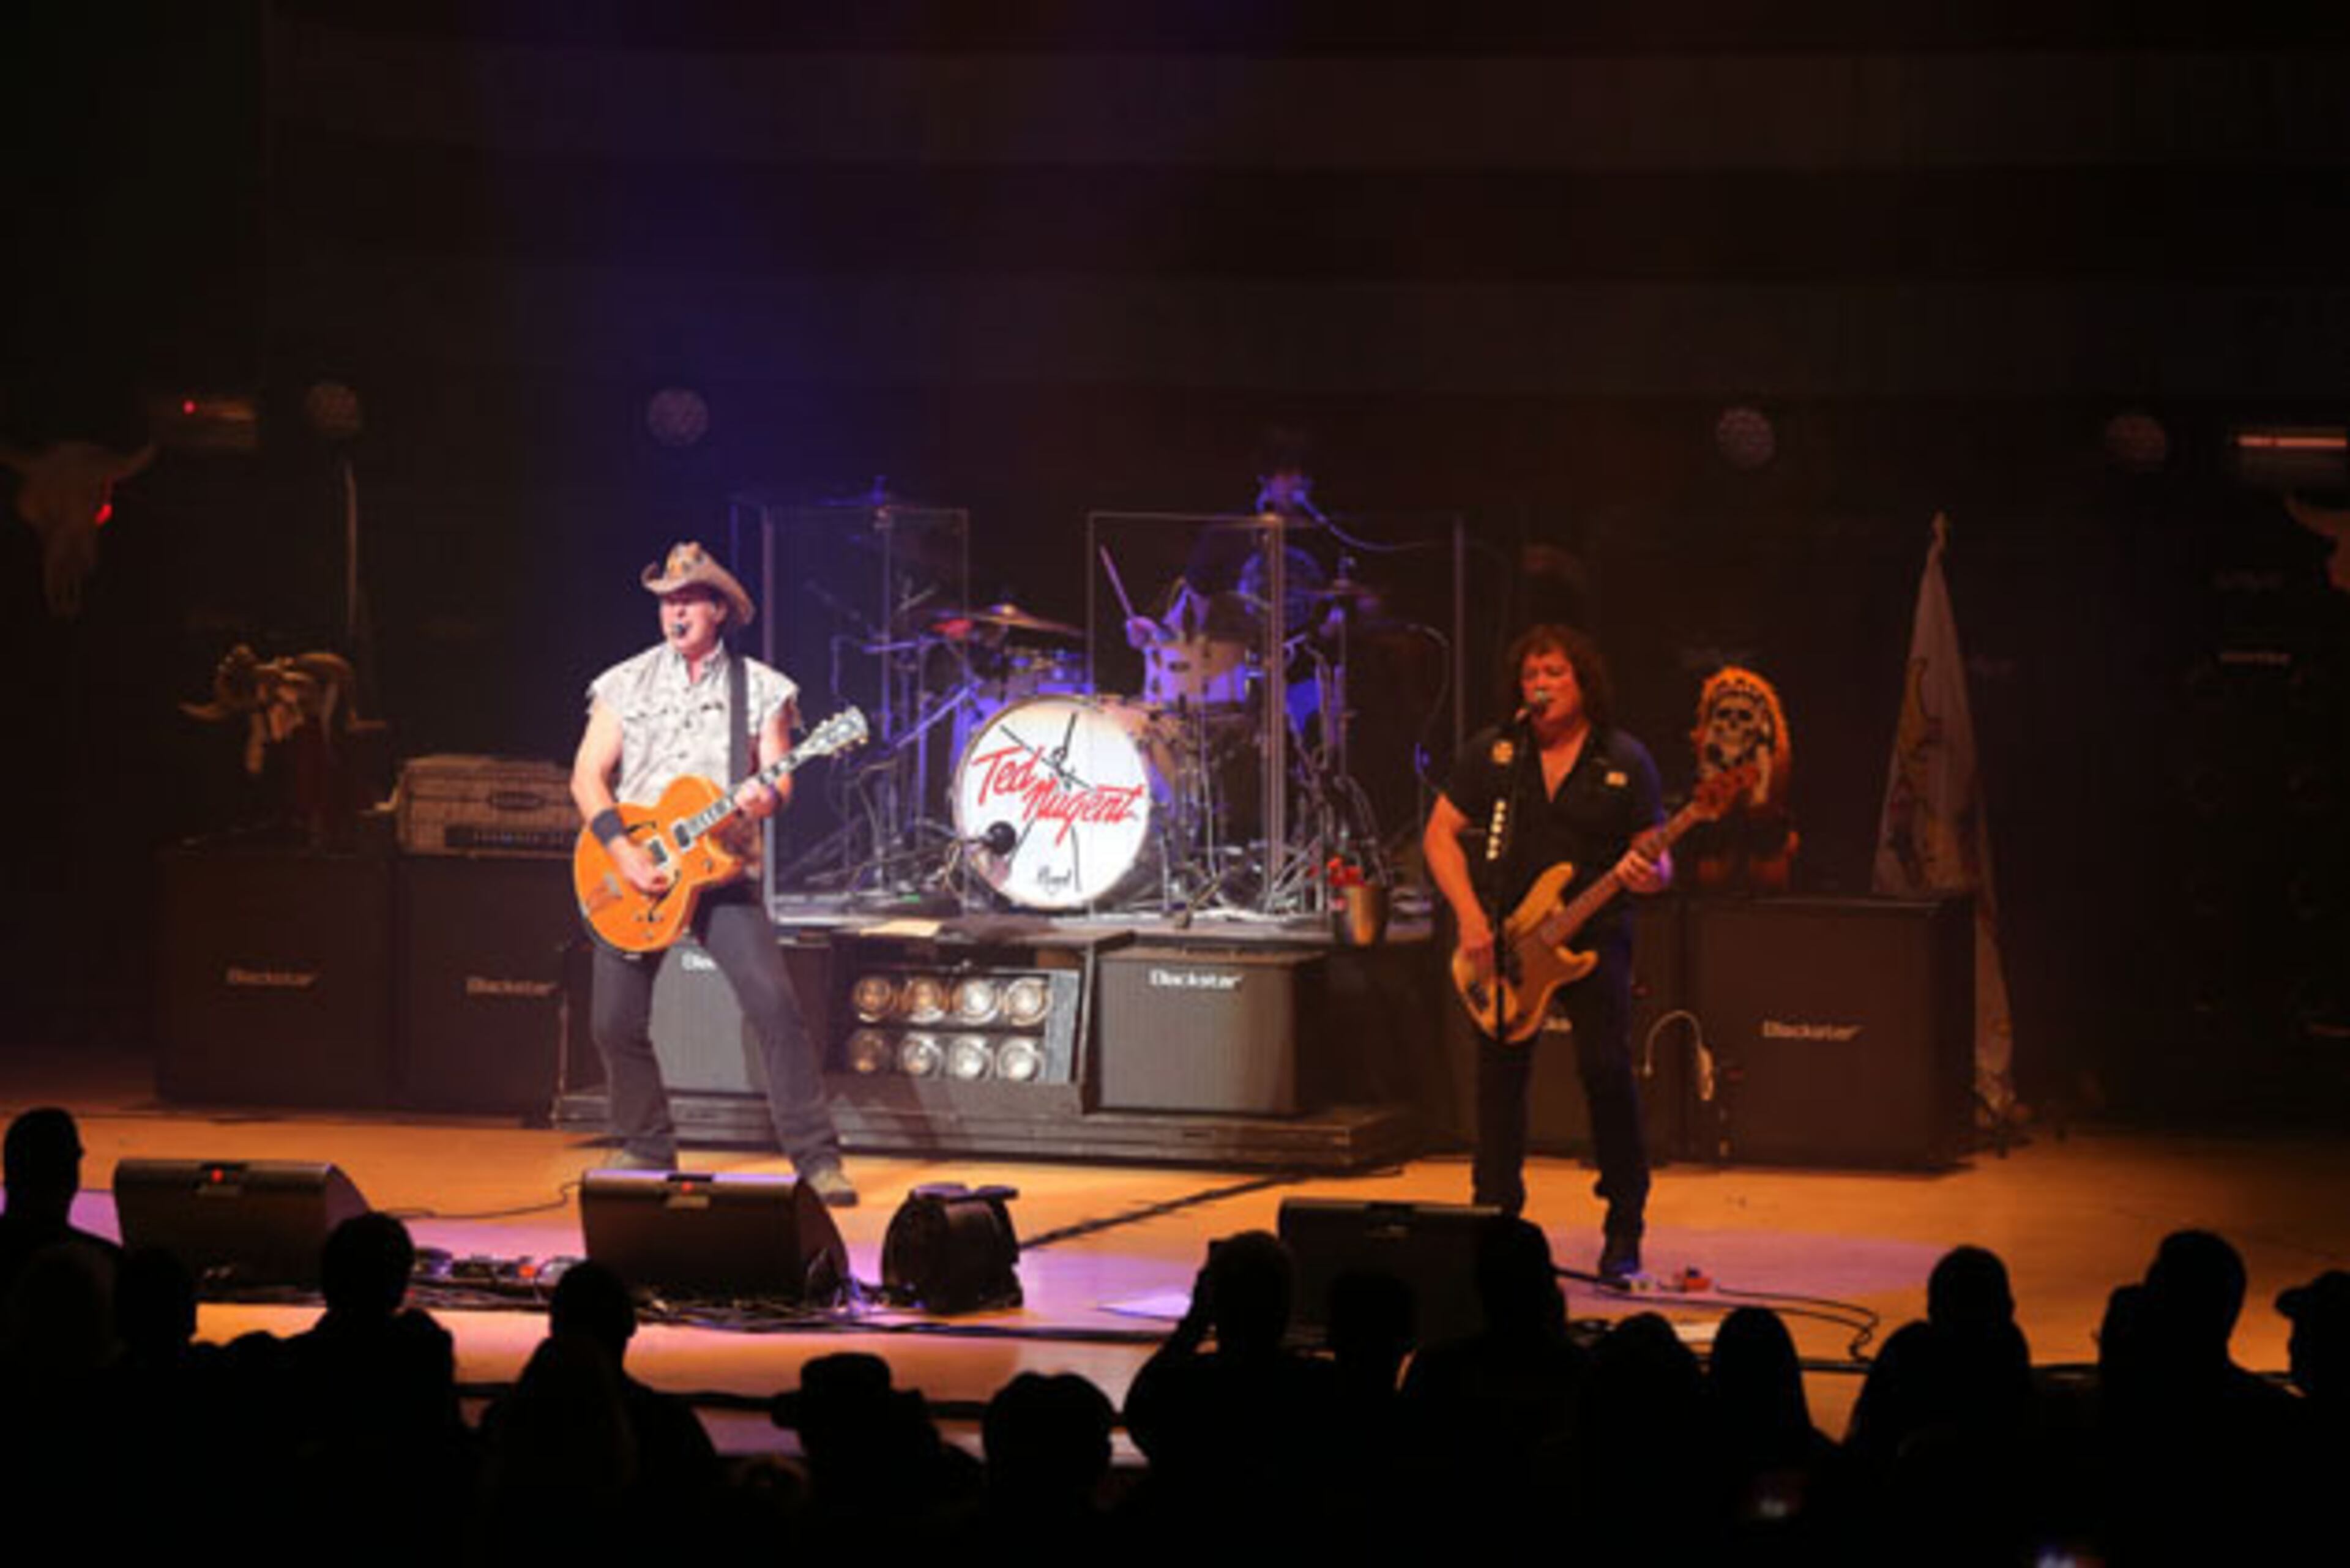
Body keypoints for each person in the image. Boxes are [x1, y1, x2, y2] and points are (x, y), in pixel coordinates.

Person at [572, 541, 855, 1205]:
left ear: (719, 609)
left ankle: (817, 1160)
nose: (675, 612)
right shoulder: (623, 683)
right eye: (667, 600)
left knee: (776, 1008)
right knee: (613, 1022)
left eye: (688, 599)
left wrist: (768, 796)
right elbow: (588, 776)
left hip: (722, 874)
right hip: (636, 868)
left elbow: (776, 781)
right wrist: (623, 852)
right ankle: (645, 1144)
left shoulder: (761, 689)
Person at [1422, 624, 1668, 1280]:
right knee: (1499, 1081)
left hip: (1595, 935)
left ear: (1584, 684)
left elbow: (1659, 855)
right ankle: (1494, 1219)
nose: (1542, 684)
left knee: (1605, 1070)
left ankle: (1624, 1223)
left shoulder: (1624, 760)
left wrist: (1654, 873)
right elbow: (1440, 834)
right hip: (1507, 940)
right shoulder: (1497, 753)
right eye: (1532, 674)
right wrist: (1471, 916)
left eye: (1556, 673)